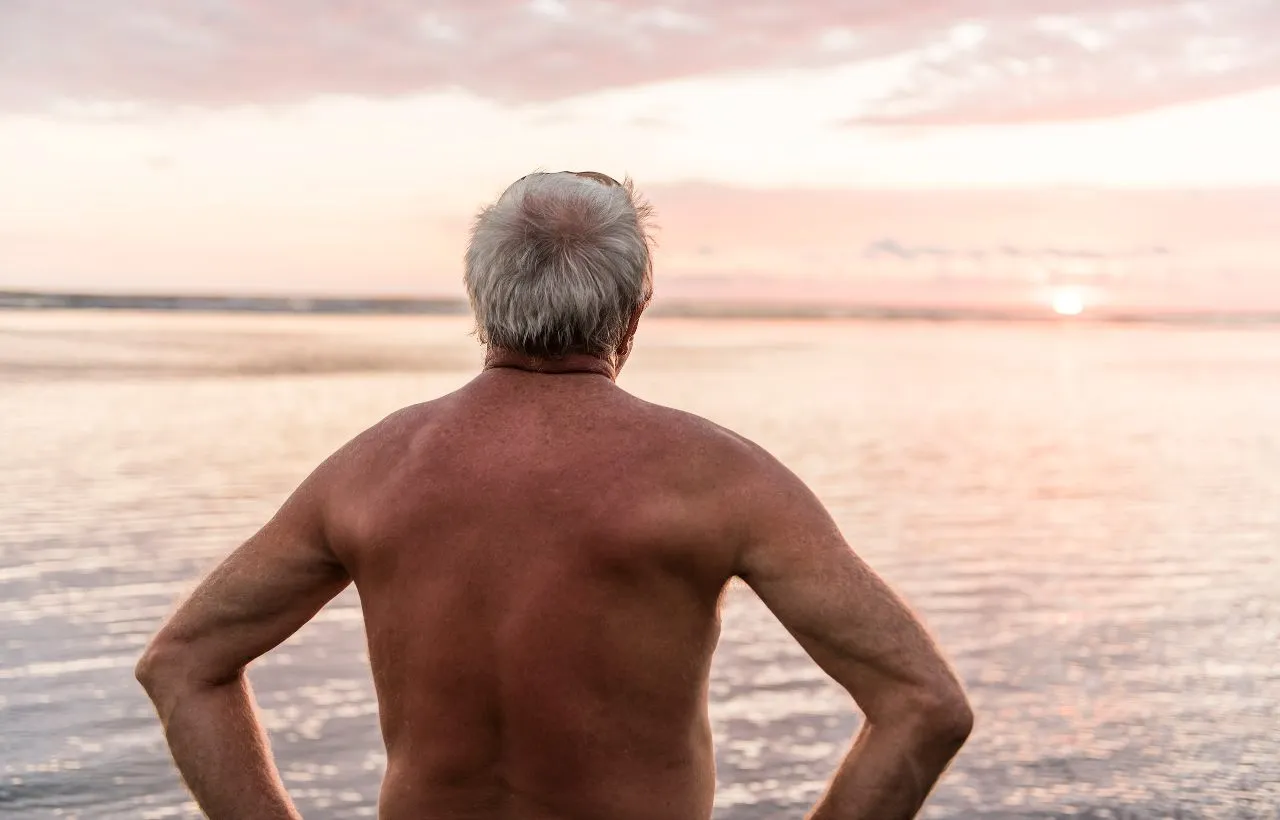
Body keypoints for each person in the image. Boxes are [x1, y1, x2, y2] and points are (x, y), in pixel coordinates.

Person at [136, 171, 973, 820]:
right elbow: (924, 704)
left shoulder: (370, 470)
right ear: (633, 310)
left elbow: (181, 665)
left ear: (481, 301)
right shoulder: (719, 478)